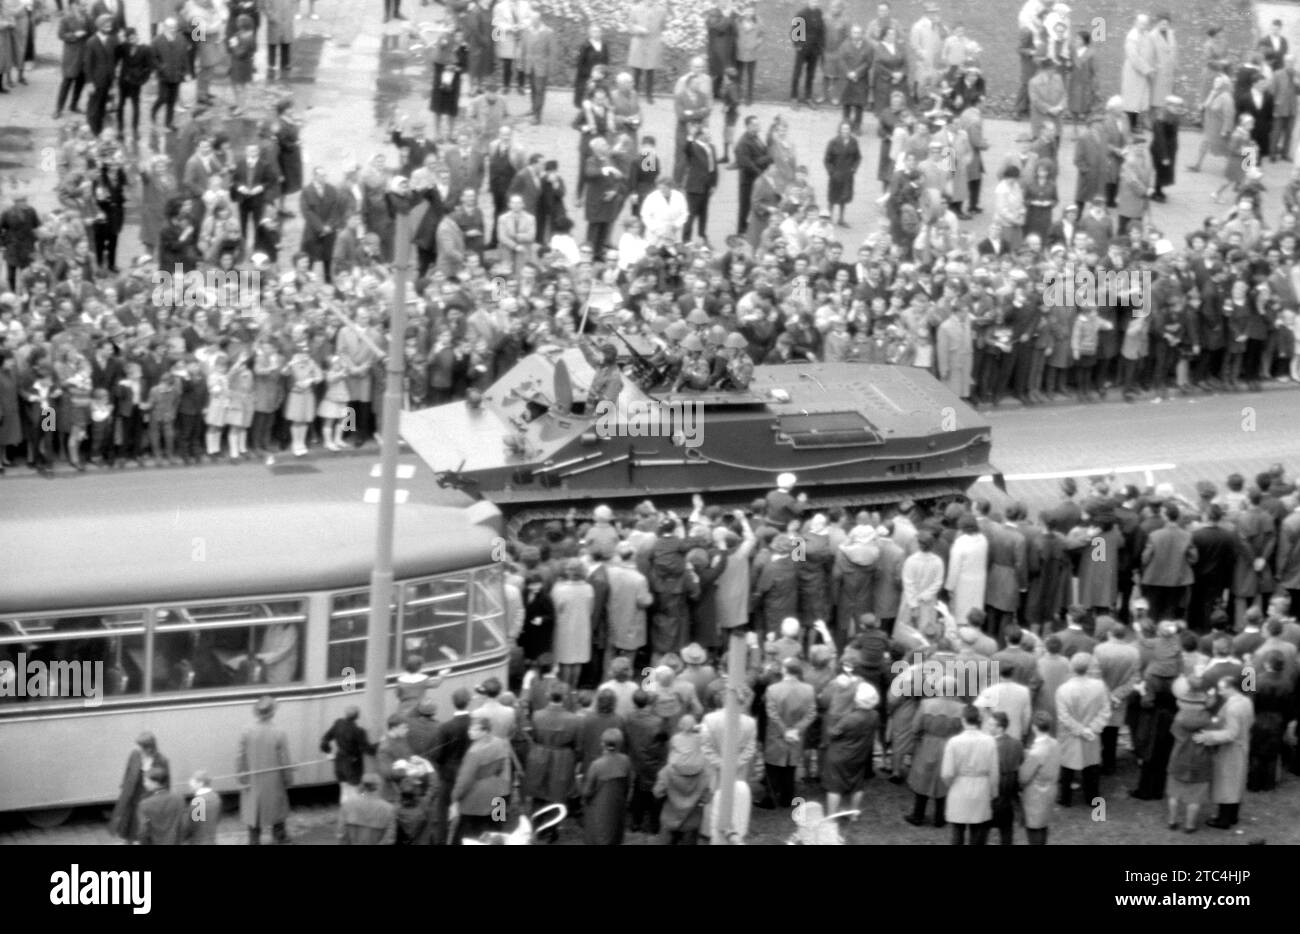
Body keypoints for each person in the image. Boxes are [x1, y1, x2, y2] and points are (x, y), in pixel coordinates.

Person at [1195, 674, 1255, 829]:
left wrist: (1208, 736)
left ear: (1230, 688)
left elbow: (1230, 733)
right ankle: (1233, 816)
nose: (1219, 692)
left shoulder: (1232, 708)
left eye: (1222, 689)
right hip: (1242, 746)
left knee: (1226, 784)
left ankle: (1223, 820)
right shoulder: (1246, 700)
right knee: (1236, 783)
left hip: (1231, 750)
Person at [237, 695, 293, 845]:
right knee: (278, 812)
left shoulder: (246, 731)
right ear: (272, 713)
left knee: (253, 814)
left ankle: (254, 841)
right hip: (273, 781)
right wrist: (288, 779)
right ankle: (279, 838)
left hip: (253, 780)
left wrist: (242, 777)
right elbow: (285, 759)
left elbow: (240, 756)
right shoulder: (279, 732)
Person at [1055, 652, 1108, 807]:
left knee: (1067, 768)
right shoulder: (1099, 686)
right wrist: (1092, 729)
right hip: (1091, 735)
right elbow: (1105, 711)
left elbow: (1063, 717)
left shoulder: (1063, 689)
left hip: (1070, 735)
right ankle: (1093, 799)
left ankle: (1065, 798)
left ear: (1072, 667)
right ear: (1089, 667)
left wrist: (1080, 730)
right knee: (1091, 766)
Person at [941, 704, 999, 845]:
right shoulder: (990, 741)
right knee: (978, 831)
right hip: (981, 787)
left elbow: (947, 773)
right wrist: (993, 791)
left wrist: (951, 785)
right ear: (979, 720)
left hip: (959, 787)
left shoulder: (953, 742)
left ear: (963, 720)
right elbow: (994, 771)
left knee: (957, 831)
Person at [451, 716, 513, 842]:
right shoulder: (500, 742)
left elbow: (464, 780)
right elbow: (505, 765)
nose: (470, 732)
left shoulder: (474, 752)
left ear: (485, 731)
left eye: (474, 730)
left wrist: (455, 798)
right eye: (470, 729)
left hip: (477, 797)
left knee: (469, 833)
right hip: (500, 790)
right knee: (497, 827)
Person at [823, 680, 878, 817]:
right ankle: (853, 814)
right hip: (859, 754)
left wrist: (830, 722)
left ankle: (831, 817)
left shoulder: (850, 719)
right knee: (857, 785)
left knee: (834, 787)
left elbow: (833, 734)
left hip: (840, 755)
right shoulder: (874, 715)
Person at [110, 731, 169, 843]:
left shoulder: (162, 760)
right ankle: (129, 841)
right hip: (133, 794)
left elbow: (165, 783)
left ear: (149, 747)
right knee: (129, 824)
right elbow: (128, 772)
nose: (137, 748)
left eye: (139, 746)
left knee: (143, 825)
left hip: (149, 797)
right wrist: (124, 788)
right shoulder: (134, 754)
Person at [320, 705, 377, 807]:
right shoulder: (359, 731)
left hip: (339, 762)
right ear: (357, 717)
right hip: (352, 765)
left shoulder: (338, 724)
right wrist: (380, 744)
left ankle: (344, 814)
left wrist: (328, 752)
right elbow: (368, 750)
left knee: (344, 790)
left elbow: (325, 739)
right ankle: (354, 815)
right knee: (355, 791)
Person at [582, 728, 632, 845]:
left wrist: (579, 783)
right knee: (615, 833)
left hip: (599, 808)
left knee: (599, 834)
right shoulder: (626, 761)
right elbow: (628, 785)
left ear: (602, 744)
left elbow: (587, 792)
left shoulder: (597, 765)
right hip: (617, 806)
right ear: (620, 744)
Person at [1017, 711, 1060, 844]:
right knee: (1043, 827)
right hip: (1050, 790)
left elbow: (1023, 777)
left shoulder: (1036, 752)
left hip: (1034, 795)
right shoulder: (1055, 744)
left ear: (1034, 727)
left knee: (1034, 830)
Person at [339, 773, 397, 845]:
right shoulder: (388, 809)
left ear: (362, 785)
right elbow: (389, 839)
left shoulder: (347, 805)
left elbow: (342, 834)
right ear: (379, 786)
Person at [824, 121, 861, 228]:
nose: (846, 131)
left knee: (843, 198)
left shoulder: (854, 142)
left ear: (850, 130)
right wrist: (831, 172)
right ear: (840, 130)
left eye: (848, 129)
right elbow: (827, 159)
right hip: (835, 175)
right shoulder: (833, 142)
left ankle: (841, 219)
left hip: (847, 176)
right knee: (832, 197)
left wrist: (854, 169)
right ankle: (828, 218)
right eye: (844, 129)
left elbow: (858, 157)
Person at [135, 767, 186, 845]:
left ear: (155, 782)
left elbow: (143, 831)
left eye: (146, 781)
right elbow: (183, 824)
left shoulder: (144, 804)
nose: (144, 784)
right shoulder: (179, 799)